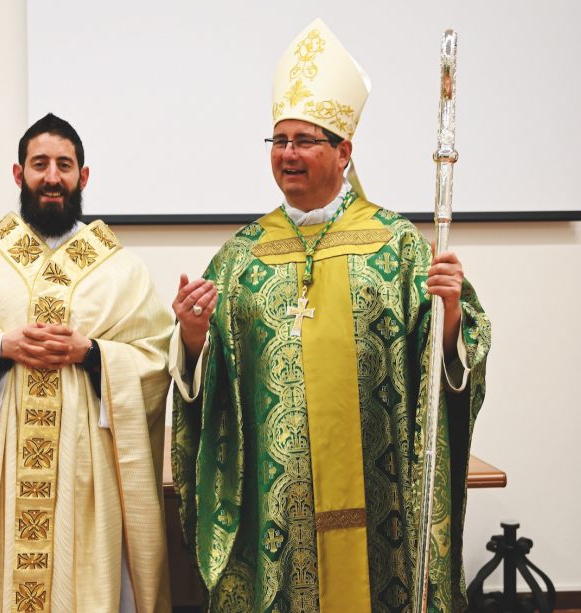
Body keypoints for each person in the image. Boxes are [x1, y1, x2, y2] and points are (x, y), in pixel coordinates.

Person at [170, 19, 490, 613]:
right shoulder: (241, 256)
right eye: (279, 141)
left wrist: (449, 317)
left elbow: (443, 363)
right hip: (275, 513)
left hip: (379, 503)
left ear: (344, 151)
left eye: (305, 140)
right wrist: (192, 338)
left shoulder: (396, 245)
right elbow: (209, 387)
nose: (288, 154)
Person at [0, 113, 173, 612]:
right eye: (40, 164)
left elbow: (156, 361)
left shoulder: (123, 273)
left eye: (64, 165)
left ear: (83, 177)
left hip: (86, 485)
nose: (52, 176)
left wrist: (93, 354)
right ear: (18, 174)